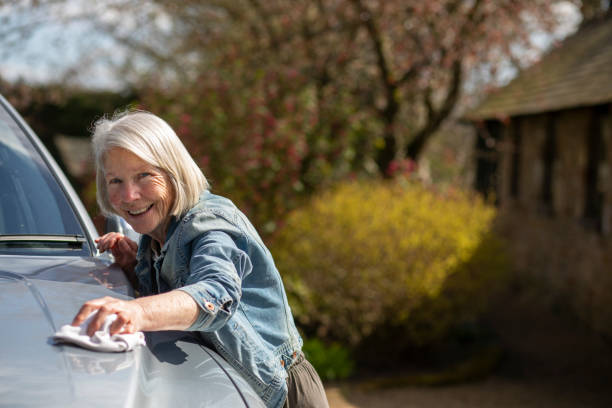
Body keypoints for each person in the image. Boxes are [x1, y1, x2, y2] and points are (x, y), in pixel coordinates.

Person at [71, 111, 329, 408]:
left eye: (144, 175)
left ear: (174, 172)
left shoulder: (211, 223)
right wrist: (133, 267)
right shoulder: (154, 236)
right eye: (115, 180)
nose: (128, 195)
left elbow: (214, 294)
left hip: (281, 393)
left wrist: (134, 311)